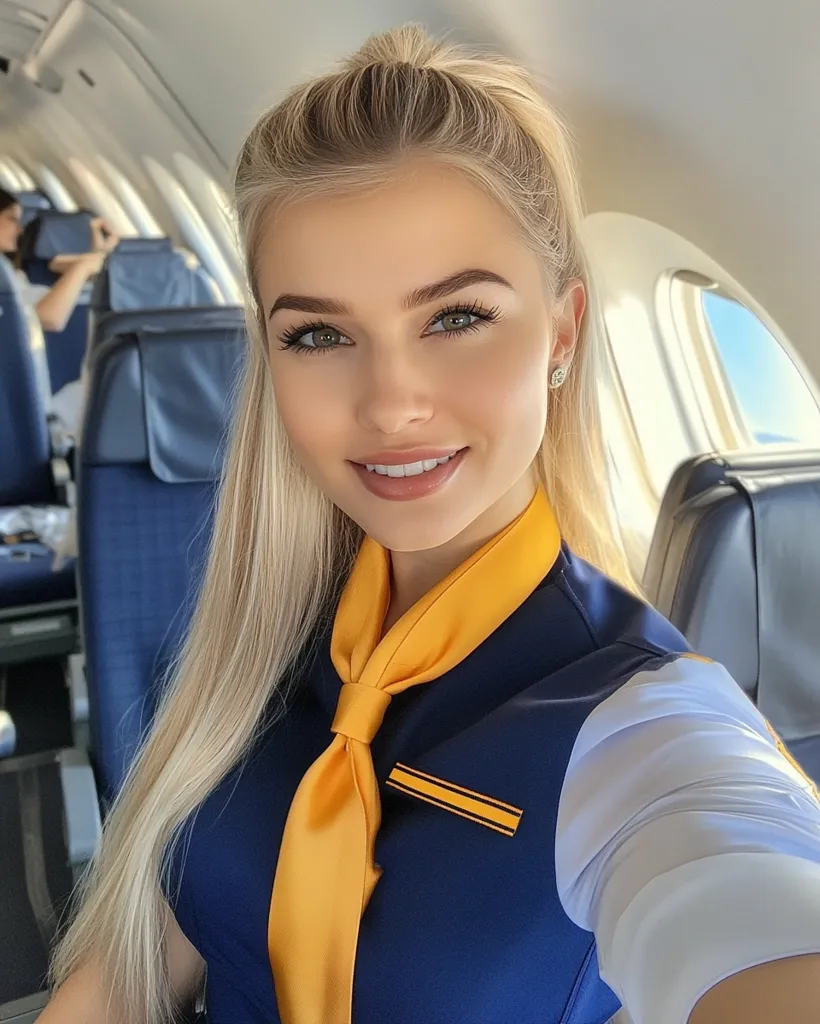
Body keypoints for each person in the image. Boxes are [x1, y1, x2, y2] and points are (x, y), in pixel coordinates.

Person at [41, 25, 820, 1024]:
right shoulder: (258, 649)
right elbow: (120, 980)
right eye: (319, 334)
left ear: (562, 332)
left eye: (455, 316)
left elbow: (737, 890)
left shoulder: (640, 732)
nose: (392, 401)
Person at [0, 187, 119, 333]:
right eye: (12, 219)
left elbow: (43, 299)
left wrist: (94, 259)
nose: (20, 230)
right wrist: (82, 267)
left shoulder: (9, 274)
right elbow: (47, 319)